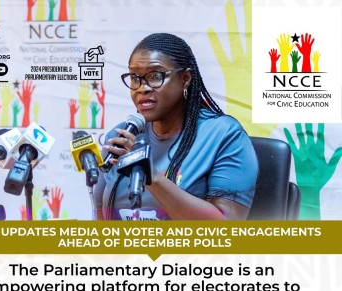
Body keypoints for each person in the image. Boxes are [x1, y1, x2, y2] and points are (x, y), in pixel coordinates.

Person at [94, 33, 258, 220]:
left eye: (156, 76)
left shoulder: (224, 135)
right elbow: (100, 216)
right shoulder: (121, 137)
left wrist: (152, 176)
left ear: (185, 78)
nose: (142, 88)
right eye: (134, 77)